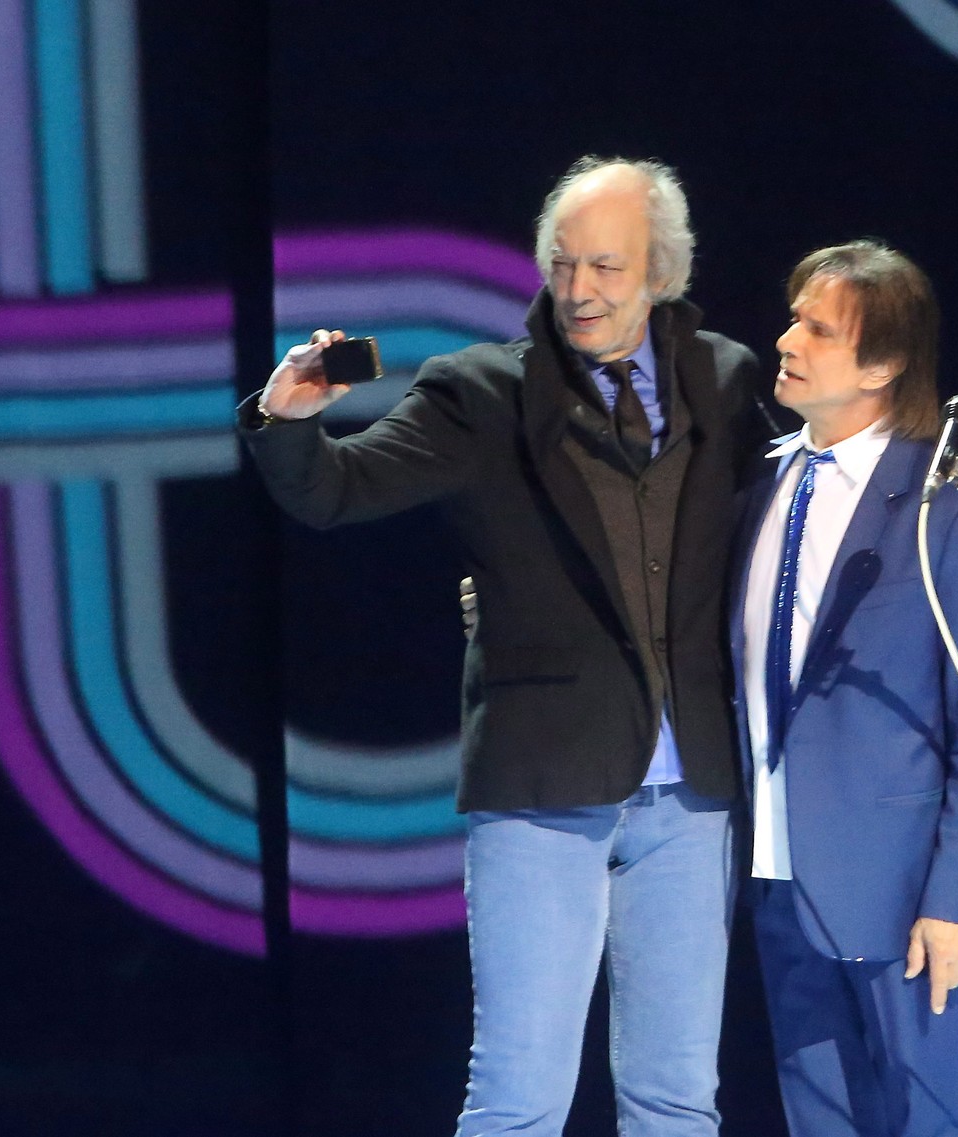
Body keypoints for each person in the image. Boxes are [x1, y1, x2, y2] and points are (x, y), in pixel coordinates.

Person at [239, 156, 770, 1137]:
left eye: (605, 268)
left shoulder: (728, 382)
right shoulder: (479, 394)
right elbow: (333, 492)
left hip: (690, 792)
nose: (578, 291)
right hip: (542, 786)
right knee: (519, 1100)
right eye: (562, 265)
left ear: (661, 272)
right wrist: (287, 424)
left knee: (677, 1100)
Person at [731, 240, 958, 1137]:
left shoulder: (951, 503)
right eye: (794, 317)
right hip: (777, 867)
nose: (786, 339)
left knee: (923, 1114)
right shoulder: (764, 479)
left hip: (900, 886)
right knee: (819, 1113)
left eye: (818, 329)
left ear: (885, 362)